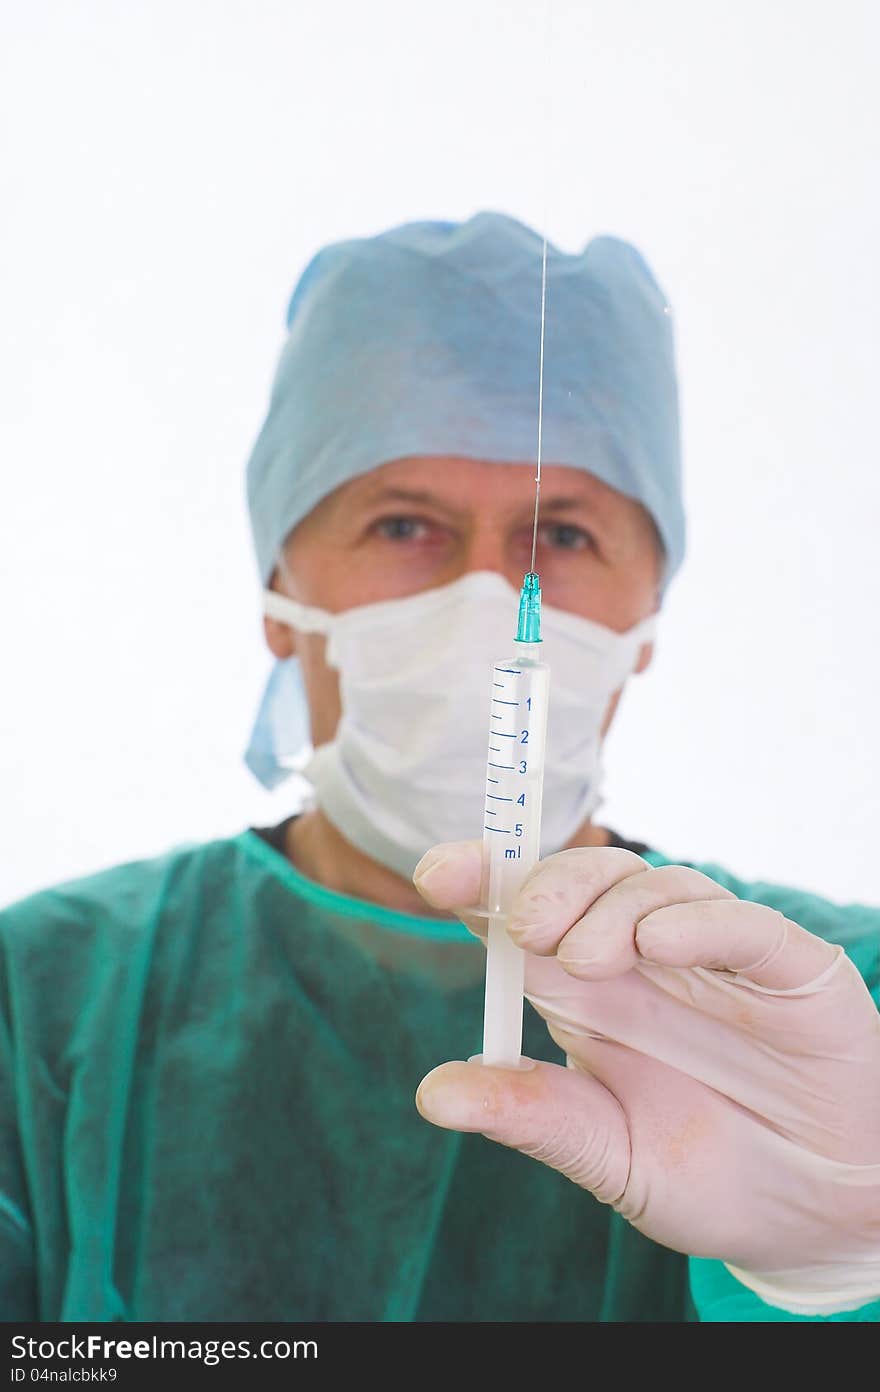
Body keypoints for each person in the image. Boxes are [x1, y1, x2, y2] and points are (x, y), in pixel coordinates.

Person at [1, 213, 877, 1324]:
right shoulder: (39, 1006)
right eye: (404, 524)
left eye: (562, 535)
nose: (484, 595)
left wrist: (837, 1270)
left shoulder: (830, 1011)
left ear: (647, 610)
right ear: (280, 589)